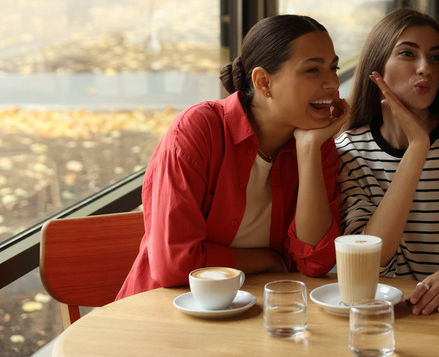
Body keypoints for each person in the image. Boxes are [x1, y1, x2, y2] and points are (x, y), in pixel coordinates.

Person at [117, 15, 350, 299]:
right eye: (313, 70)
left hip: (258, 317)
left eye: (333, 67)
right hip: (166, 314)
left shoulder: (317, 143)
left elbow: (315, 262)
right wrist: (267, 260)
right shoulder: (199, 129)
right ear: (263, 82)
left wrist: (309, 149)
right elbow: (175, 266)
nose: (333, 82)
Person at [336, 8, 439, 316]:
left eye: (436, 57)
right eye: (408, 53)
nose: (425, 67)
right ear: (377, 65)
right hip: (373, 319)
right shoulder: (349, 152)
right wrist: (417, 149)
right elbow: (366, 267)